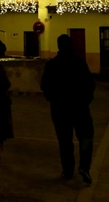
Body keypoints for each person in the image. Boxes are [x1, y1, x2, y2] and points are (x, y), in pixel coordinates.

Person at [40, 34, 96, 184]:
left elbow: (44, 86)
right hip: (80, 107)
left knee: (65, 141)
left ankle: (68, 170)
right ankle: (84, 166)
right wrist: (86, 99)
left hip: (59, 108)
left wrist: (52, 98)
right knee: (86, 136)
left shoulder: (52, 65)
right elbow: (90, 84)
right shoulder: (79, 63)